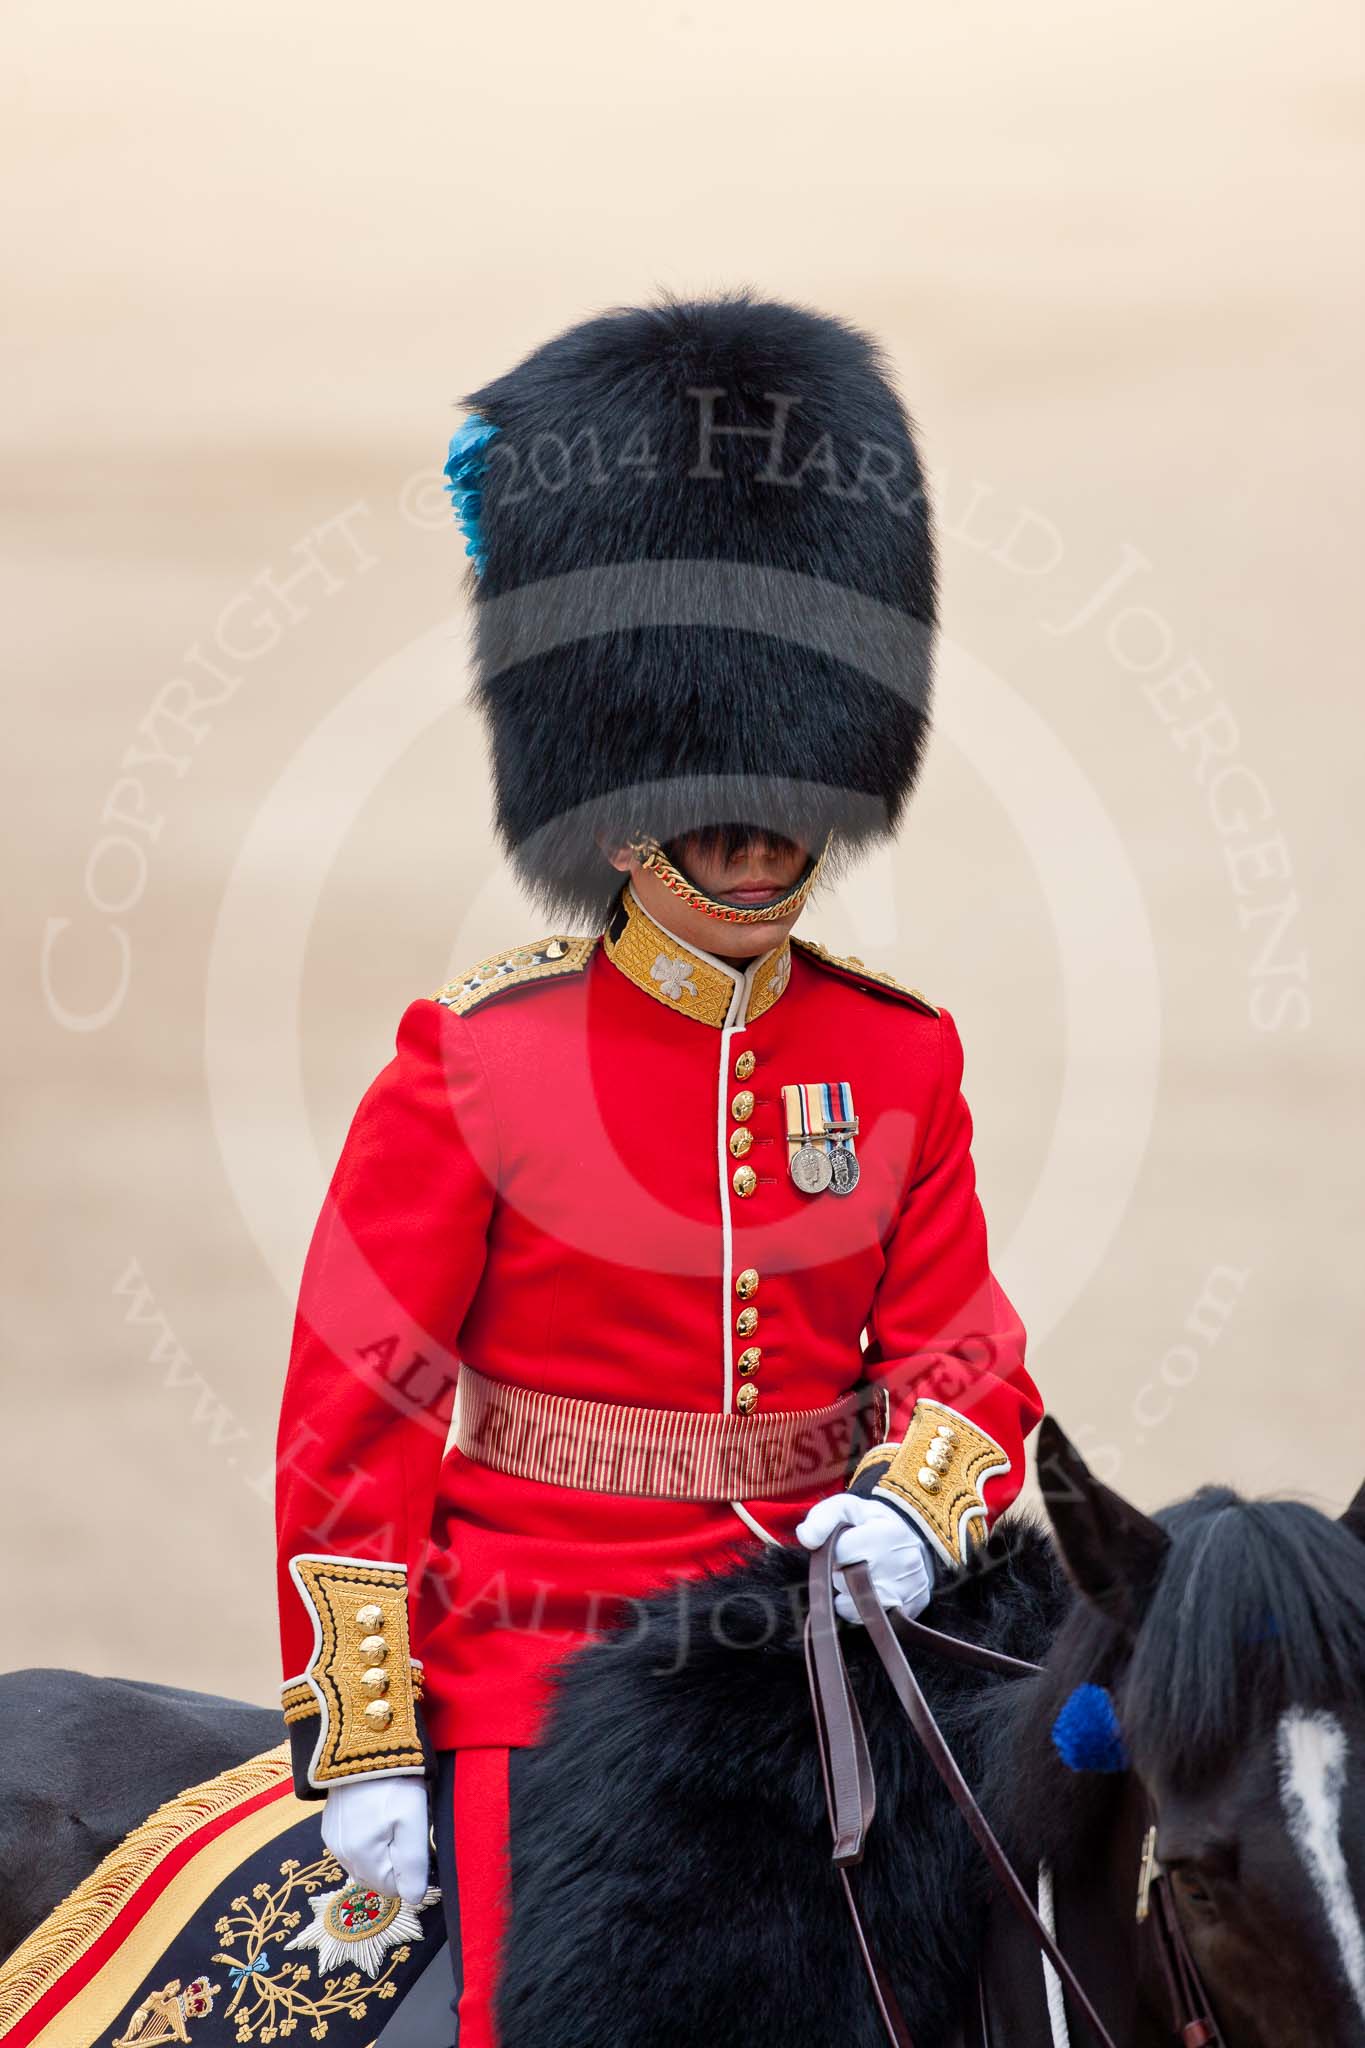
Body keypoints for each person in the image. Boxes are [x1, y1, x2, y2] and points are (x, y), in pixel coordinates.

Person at [273, 292, 1043, 2047]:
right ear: (613, 796)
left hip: (834, 1659)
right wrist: (371, 1739)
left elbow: (969, 1353)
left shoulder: (895, 1055)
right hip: (536, 1661)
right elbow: (356, 1419)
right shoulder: (476, 1057)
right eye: (709, 795)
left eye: (785, 792)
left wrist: (911, 1518)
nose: (756, 832)